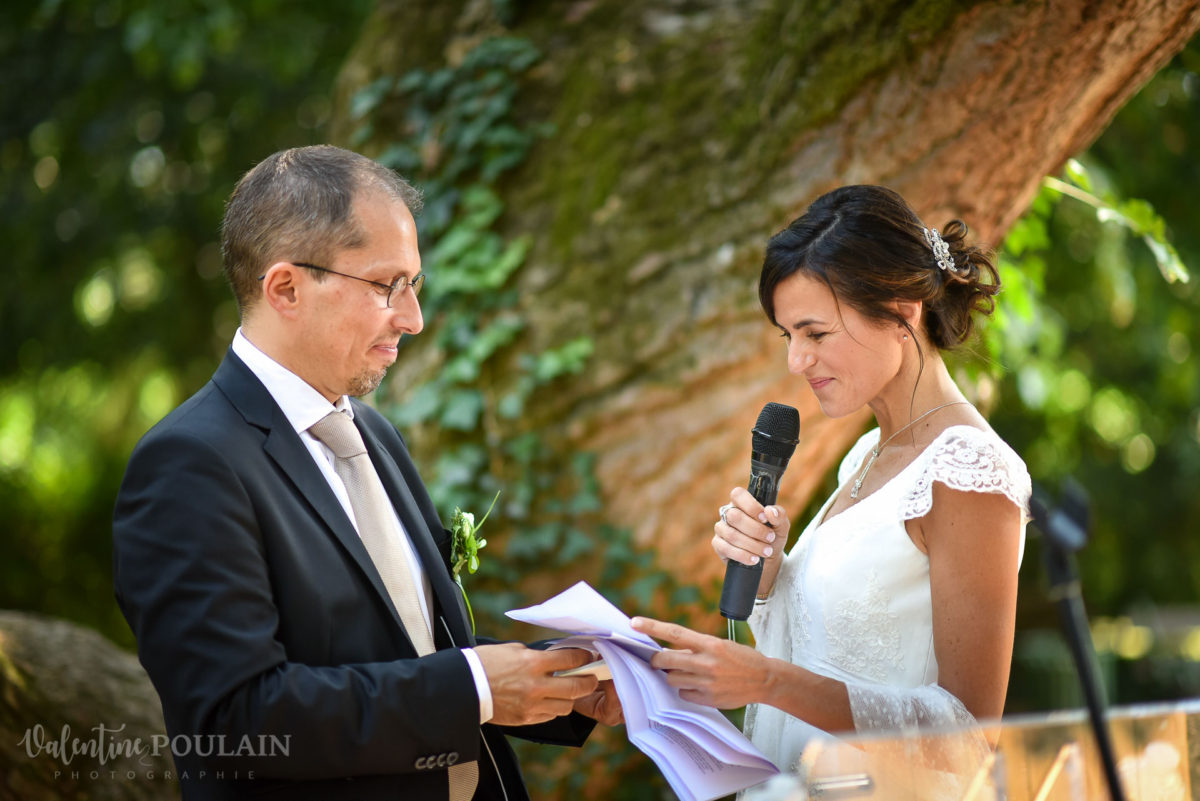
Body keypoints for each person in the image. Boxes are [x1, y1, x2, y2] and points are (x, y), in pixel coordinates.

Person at [112, 145, 620, 801]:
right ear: (286, 288)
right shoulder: (188, 465)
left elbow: (407, 643)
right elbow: (237, 720)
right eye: (388, 286)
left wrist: (564, 679)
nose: (413, 319)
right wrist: (475, 689)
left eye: (414, 285)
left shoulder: (371, 432)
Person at [632, 185, 1031, 781]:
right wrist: (770, 575)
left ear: (902, 311)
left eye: (815, 334)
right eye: (788, 336)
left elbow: (964, 739)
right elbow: (827, 651)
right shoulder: (868, 454)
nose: (797, 361)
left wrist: (764, 681)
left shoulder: (968, 471)